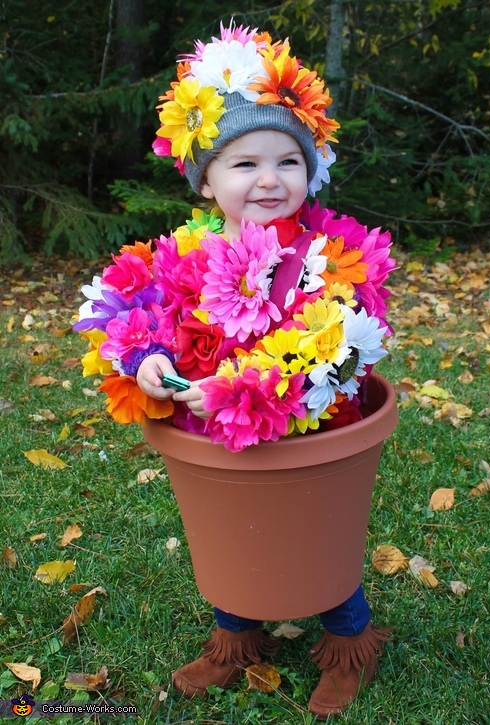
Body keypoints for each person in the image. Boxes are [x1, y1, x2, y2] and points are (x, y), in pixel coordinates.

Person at [76, 21, 394, 720]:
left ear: (311, 168)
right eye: (244, 164)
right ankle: (235, 637)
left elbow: (347, 345)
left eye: (288, 161)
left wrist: (260, 387)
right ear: (207, 179)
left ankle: (350, 640)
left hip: (308, 430)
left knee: (316, 535)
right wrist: (146, 357)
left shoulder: (329, 253)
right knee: (228, 532)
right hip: (215, 436)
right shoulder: (188, 250)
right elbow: (122, 308)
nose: (270, 179)